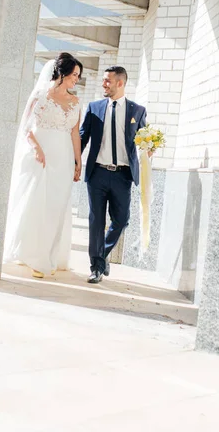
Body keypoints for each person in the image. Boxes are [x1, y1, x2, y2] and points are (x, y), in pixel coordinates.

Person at [3, 53, 83, 278]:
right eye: (74, 74)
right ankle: (31, 255)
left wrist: (78, 161)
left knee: (56, 206)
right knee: (35, 202)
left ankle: (48, 255)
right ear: (62, 73)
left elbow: (75, 133)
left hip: (63, 156)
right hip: (39, 154)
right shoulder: (40, 95)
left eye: (78, 75)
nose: (76, 79)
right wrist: (37, 148)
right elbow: (26, 127)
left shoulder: (76, 101)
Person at [80, 66, 147, 284]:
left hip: (123, 176)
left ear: (120, 83)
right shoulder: (95, 107)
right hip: (97, 172)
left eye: (108, 81)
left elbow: (143, 139)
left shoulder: (137, 111)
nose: (104, 84)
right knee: (96, 221)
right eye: (103, 80)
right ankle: (96, 267)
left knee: (121, 220)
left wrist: (150, 147)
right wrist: (73, 162)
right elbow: (83, 137)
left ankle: (103, 255)